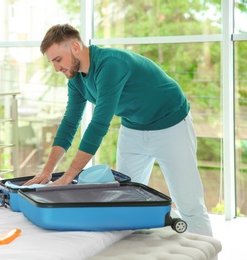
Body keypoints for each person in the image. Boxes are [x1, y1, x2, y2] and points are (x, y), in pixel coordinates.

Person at [23, 23, 213, 236]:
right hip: (133, 127)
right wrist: (47, 171)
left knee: (189, 204)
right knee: (127, 200)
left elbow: (99, 124)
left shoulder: (110, 64)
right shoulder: (75, 79)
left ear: (75, 47)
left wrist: (68, 178)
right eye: (52, 63)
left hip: (171, 125)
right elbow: (69, 123)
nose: (56, 68)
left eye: (58, 60)